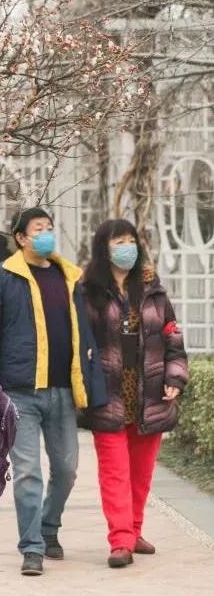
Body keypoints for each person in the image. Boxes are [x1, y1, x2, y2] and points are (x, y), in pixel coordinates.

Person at [0, 207, 101, 576]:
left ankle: (49, 527)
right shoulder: (1, 277)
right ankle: (32, 547)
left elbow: (83, 332)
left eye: (49, 228)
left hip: (62, 389)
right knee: (28, 472)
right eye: (38, 229)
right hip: (19, 391)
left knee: (67, 469)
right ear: (20, 237)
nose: (46, 234)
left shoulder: (68, 276)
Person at [81, 219, 188, 568]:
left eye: (130, 240)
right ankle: (120, 540)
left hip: (150, 393)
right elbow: (79, 342)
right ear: (104, 248)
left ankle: (134, 530)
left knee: (141, 473)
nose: (126, 247)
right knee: (115, 472)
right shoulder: (88, 291)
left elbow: (172, 336)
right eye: (118, 241)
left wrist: (175, 376)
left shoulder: (153, 288)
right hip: (109, 393)